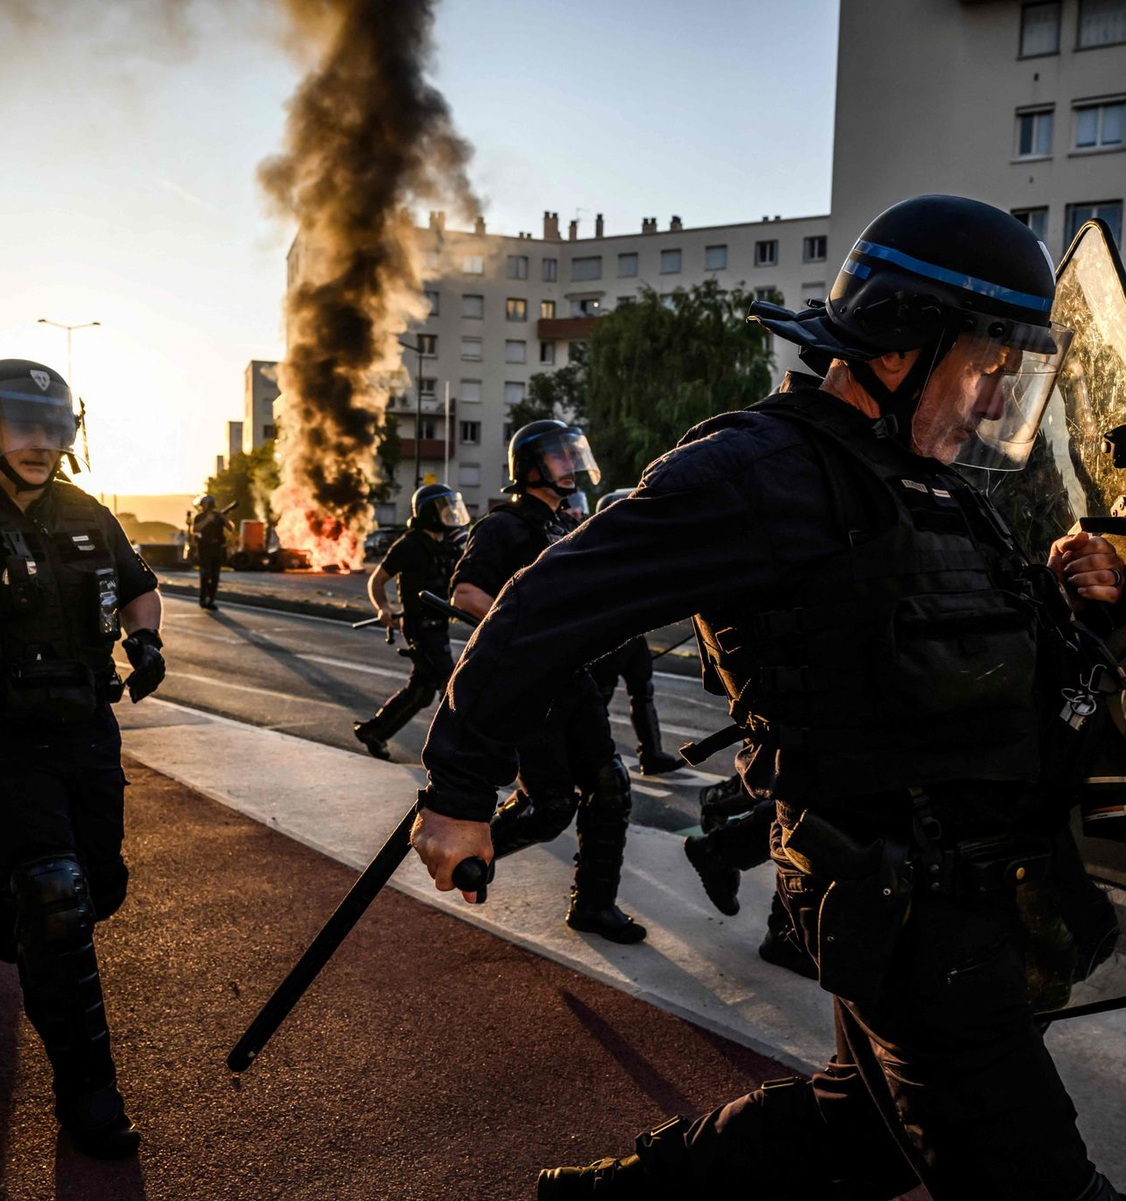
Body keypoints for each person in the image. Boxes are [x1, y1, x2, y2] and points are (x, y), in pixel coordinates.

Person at [409, 197, 1124, 1199]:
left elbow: (993, 668)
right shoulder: (759, 469)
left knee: (860, 1130)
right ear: (900, 345)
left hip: (981, 896)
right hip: (906, 911)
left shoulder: (944, 490)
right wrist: (459, 790)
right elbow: (545, 605)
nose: (998, 399)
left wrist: (1084, 600)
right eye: (985, 364)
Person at [0, 360, 166, 1159]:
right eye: (22, 424)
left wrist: (146, 638)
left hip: (87, 730)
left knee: (99, 887)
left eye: (54, 426)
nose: (40, 441)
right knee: (57, 897)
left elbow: (138, 586)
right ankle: (89, 1095)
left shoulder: (88, 512)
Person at [449, 419, 645, 945]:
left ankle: (593, 905)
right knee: (550, 806)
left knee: (610, 784)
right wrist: (526, 637)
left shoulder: (563, 525)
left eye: (571, 455)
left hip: (573, 679)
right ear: (531, 467)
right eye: (559, 456)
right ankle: (472, 856)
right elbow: (466, 594)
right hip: (531, 687)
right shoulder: (503, 525)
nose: (571, 465)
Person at [353, 483, 470, 760]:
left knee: (422, 691)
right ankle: (456, 754)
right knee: (451, 685)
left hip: (439, 624)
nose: (450, 513)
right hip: (420, 627)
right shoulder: (409, 545)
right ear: (429, 512)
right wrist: (384, 608)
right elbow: (377, 580)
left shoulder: (447, 543)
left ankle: (374, 732)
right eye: (443, 508)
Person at [585, 492, 682, 777]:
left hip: (632, 636)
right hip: (608, 639)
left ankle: (651, 754)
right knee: (597, 699)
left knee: (642, 692)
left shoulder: (637, 547)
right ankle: (590, 757)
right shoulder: (598, 552)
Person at [191, 492, 231, 610]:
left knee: (215, 576)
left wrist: (225, 519)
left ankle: (211, 600)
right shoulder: (200, 517)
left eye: (204, 504)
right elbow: (195, 529)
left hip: (217, 548)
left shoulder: (218, 516)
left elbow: (230, 528)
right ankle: (203, 599)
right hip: (204, 549)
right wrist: (207, 520)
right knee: (205, 574)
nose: (202, 506)